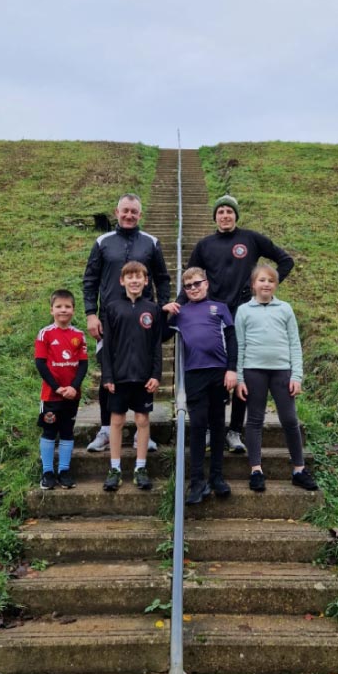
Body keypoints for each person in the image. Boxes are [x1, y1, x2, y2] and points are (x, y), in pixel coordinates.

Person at [167, 195, 295, 454]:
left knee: (239, 371)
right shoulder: (204, 245)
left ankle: (235, 429)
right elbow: (190, 279)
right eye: (221, 212)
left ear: (236, 215)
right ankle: (204, 428)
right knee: (212, 374)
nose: (225, 216)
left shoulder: (251, 239)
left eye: (229, 212)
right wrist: (177, 306)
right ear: (214, 216)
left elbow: (285, 260)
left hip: (244, 315)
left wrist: (265, 287)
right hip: (212, 318)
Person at [82, 194, 171, 451]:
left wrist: (162, 306)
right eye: (125, 211)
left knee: (144, 372)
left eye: (134, 211)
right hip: (111, 320)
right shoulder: (102, 242)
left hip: (143, 318)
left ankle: (141, 433)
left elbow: (163, 278)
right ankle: (106, 430)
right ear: (116, 212)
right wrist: (90, 313)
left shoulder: (151, 243)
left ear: (140, 214)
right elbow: (90, 280)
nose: (129, 215)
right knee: (108, 375)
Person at [235, 263, 314, 494]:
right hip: (253, 371)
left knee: (290, 419)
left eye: (270, 280)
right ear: (253, 285)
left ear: (276, 285)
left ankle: (299, 469)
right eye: (262, 280)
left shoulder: (285, 309)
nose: (266, 284)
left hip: (282, 371)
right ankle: (256, 470)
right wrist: (240, 378)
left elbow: (294, 344)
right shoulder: (244, 311)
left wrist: (296, 375)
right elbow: (239, 347)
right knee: (255, 420)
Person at [163, 266, 238, 505]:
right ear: (184, 290)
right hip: (194, 374)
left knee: (217, 425)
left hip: (219, 373)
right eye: (189, 286)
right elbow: (162, 335)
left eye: (198, 283)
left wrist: (232, 369)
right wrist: (165, 312)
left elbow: (232, 340)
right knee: (197, 426)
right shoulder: (181, 312)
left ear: (206, 283)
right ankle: (197, 481)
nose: (194, 288)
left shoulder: (221, 308)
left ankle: (217, 476)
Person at [99, 261, 164, 491]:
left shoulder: (153, 309)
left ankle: (140, 467)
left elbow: (157, 345)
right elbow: (106, 346)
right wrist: (107, 376)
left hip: (144, 378)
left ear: (146, 281)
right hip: (119, 377)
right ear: (122, 281)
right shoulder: (112, 307)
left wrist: (156, 374)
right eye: (130, 277)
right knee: (116, 421)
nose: (134, 281)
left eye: (139, 277)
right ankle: (115, 468)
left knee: (142, 420)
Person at [34, 289, 87, 490]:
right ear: (51, 310)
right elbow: (40, 364)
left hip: (72, 396)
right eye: (59, 307)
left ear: (73, 310)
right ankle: (47, 472)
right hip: (51, 395)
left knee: (67, 431)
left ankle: (64, 471)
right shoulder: (45, 334)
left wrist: (73, 387)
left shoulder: (79, 335)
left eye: (67, 306)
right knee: (49, 431)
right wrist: (57, 388)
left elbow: (83, 365)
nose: (63, 310)